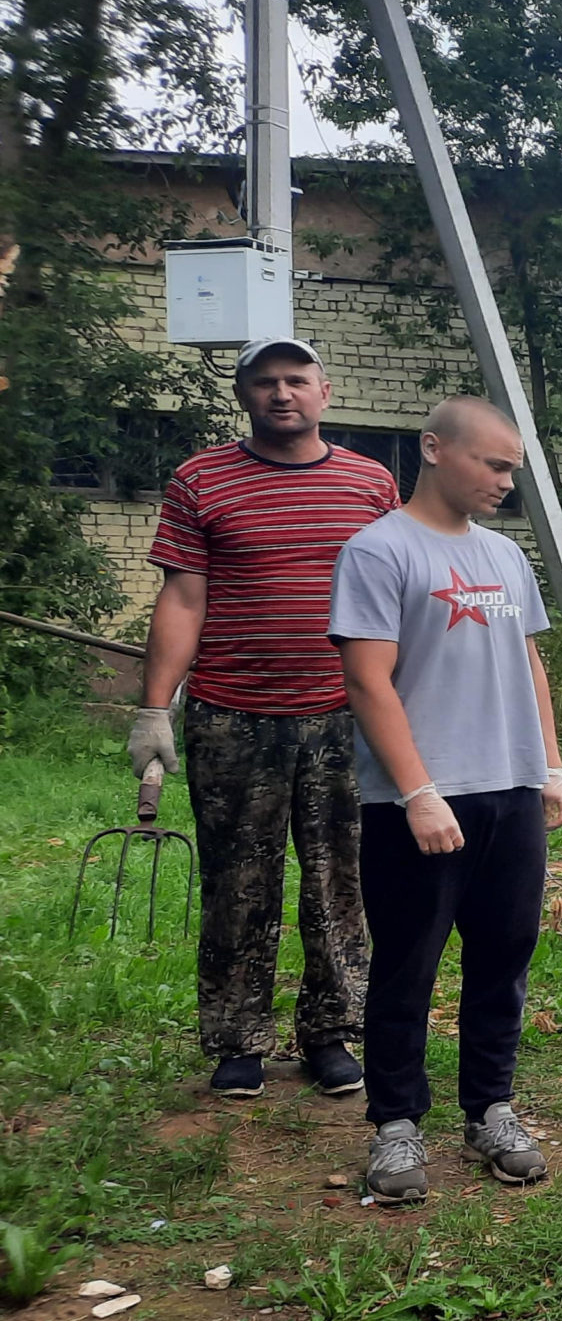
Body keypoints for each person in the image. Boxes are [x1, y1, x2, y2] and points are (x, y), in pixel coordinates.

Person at [135, 337, 399, 1101]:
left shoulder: (370, 484)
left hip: (345, 717)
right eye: (265, 382)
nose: (282, 394)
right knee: (237, 883)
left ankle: (331, 1032)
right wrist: (156, 708)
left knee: (339, 882)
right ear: (244, 393)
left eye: (296, 380)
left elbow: (396, 600)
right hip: (232, 715)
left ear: (325, 391)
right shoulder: (202, 479)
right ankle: (238, 1039)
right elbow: (184, 598)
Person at [329, 396, 562, 1204]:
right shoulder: (378, 551)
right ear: (434, 449)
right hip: (419, 804)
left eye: (513, 469)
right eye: (494, 464)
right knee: (407, 965)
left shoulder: (506, 558)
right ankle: (396, 1125)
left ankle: (490, 1111)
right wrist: (418, 791)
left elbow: (529, 665)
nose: (506, 482)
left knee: (504, 957)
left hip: (508, 791)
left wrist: (551, 767)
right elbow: (367, 681)